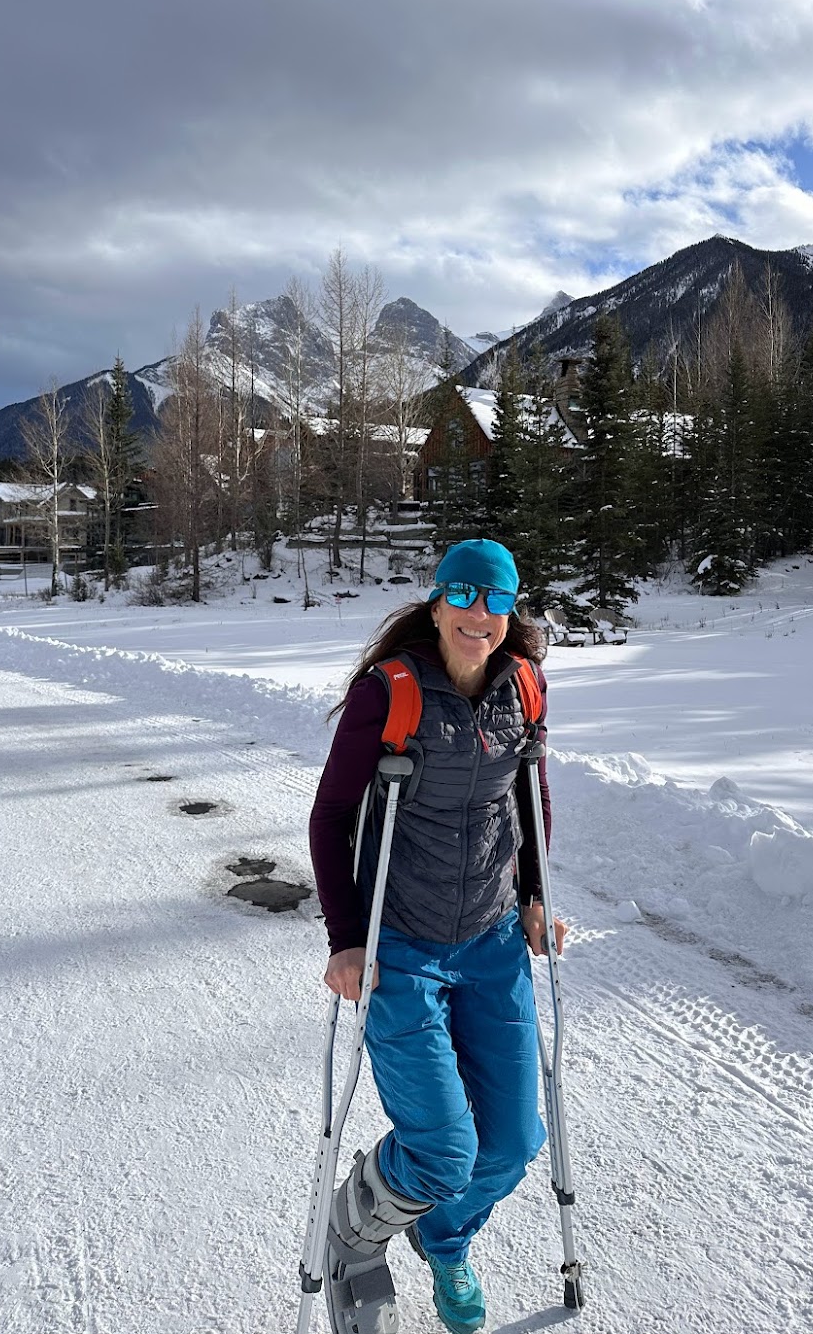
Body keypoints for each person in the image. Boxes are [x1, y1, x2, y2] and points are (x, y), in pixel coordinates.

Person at [309, 538, 567, 1334]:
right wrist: (347, 938)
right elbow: (331, 816)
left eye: (496, 599)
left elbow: (530, 797)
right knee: (444, 1148)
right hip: (404, 945)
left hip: (492, 940)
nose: (478, 613)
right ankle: (353, 1230)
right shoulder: (388, 693)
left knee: (514, 1140)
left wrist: (534, 896)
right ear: (436, 600)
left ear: (510, 610)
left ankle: (443, 1235)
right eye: (463, 594)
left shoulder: (523, 687)